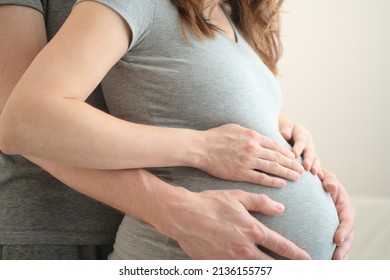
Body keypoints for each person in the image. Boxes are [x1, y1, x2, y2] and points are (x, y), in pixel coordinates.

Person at [0, 0, 354, 259]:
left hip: (145, 220)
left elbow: (189, 96)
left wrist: (294, 149)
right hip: (53, 225)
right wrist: (191, 165)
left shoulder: (227, 15)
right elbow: (20, 118)